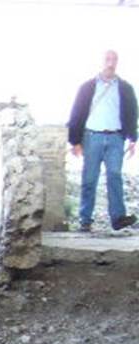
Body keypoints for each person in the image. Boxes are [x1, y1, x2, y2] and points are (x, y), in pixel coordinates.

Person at [67, 50, 137, 232]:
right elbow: (77, 112)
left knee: (115, 175)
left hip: (116, 137)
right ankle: (85, 220)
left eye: (114, 60)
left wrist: (132, 138)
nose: (110, 63)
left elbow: (132, 113)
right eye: (107, 59)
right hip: (92, 137)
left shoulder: (125, 88)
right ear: (100, 62)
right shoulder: (87, 87)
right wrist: (75, 141)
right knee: (89, 178)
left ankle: (118, 217)